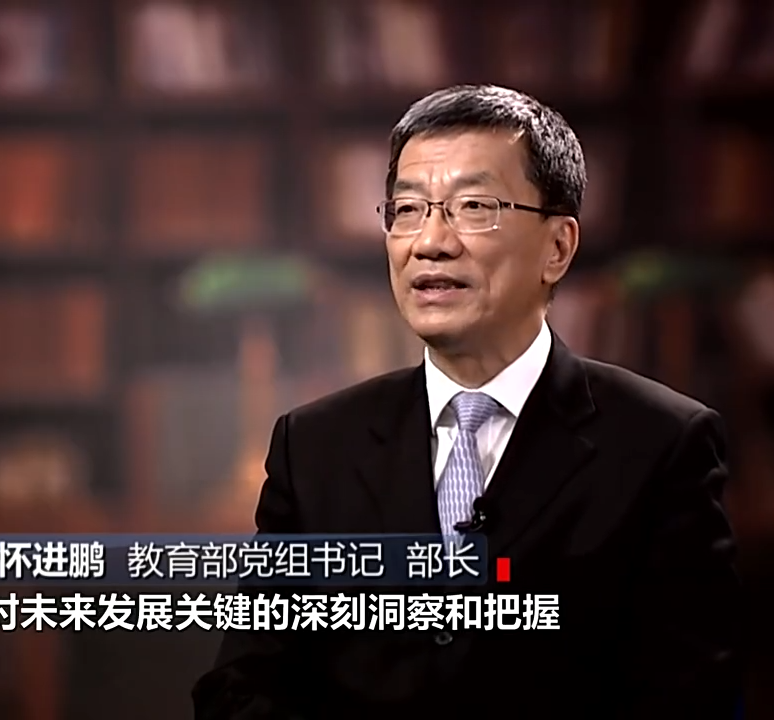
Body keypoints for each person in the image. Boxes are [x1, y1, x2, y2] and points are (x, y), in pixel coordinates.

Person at [193, 84, 742, 719]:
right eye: (407, 210)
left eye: (474, 207)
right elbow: (241, 686)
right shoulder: (314, 446)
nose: (430, 241)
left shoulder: (661, 443)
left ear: (558, 247)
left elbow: (692, 697)